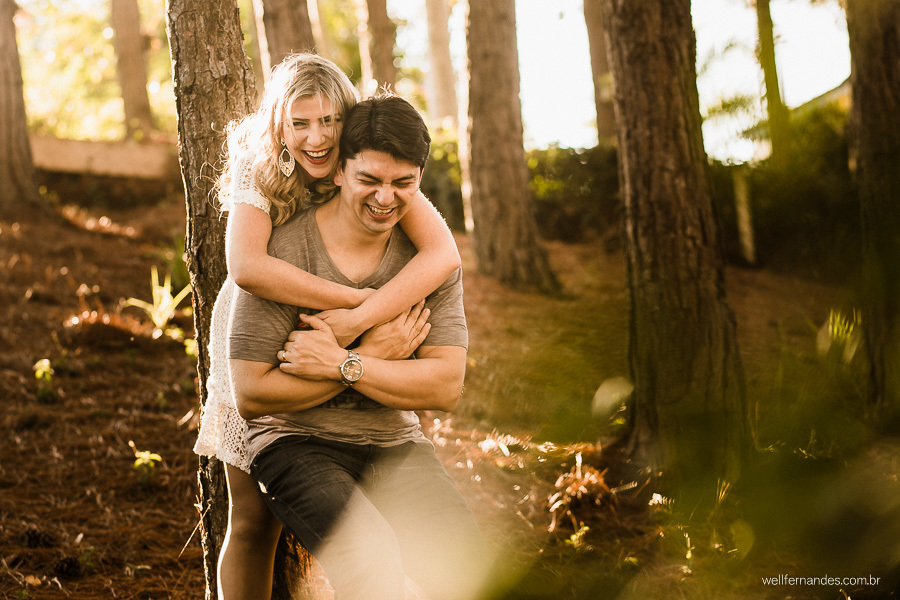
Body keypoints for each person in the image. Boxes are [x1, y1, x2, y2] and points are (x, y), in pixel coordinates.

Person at [192, 54, 462, 599]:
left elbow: (443, 253)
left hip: (353, 313)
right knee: (251, 519)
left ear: (347, 117)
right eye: (300, 123)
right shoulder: (258, 163)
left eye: (329, 121)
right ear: (279, 123)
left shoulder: (372, 164)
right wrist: (358, 303)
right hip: (266, 308)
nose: (316, 138)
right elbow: (248, 267)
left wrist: (362, 321)